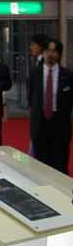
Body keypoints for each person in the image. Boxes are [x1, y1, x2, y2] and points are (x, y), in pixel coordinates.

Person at [28, 39, 73, 174]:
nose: (50, 54)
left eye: (54, 51)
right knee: (40, 165)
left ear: (59, 54)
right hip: (40, 123)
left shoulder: (68, 75)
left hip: (60, 124)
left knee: (59, 163)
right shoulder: (34, 73)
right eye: (47, 51)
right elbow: (30, 97)